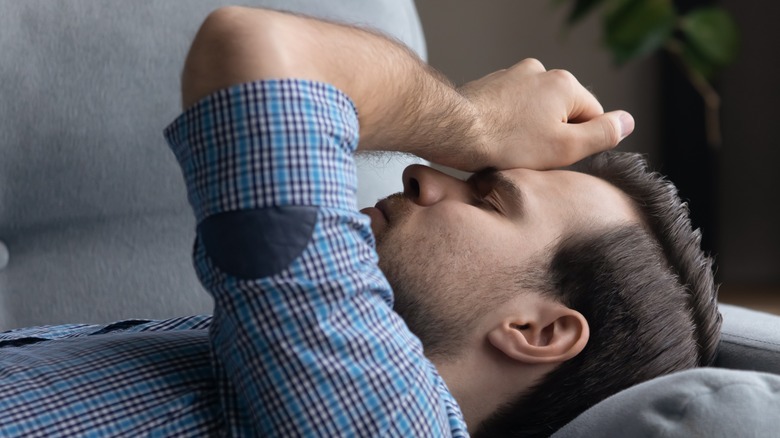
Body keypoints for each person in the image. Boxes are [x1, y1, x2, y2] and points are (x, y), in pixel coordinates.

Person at [0, 7, 721, 437]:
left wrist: (471, 123)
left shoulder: (380, 414)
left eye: (488, 197)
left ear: (539, 331)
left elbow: (251, 49)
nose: (423, 173)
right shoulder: (279, 365)